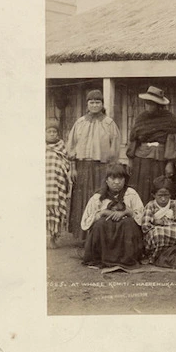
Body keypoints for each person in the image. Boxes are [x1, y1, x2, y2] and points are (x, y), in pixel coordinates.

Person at [67, 89, 121, 243]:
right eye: (92, 102)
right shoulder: (80, 122)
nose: (95, 105)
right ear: (87, 104)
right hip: (82, 167)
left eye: (98, 102)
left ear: (102, 104)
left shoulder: (109, 123)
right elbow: (71, 146)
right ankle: (82, 236)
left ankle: (97, 235)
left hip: (102, 168)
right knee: (82, 199)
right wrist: (73, 168)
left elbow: (115, 147)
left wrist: (110, 169)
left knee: (99, 198)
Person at [80, 164, 144, 270]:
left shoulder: (131, 194)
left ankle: (126, 259)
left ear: (125, 180)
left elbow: (142, 217)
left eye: (120, 178)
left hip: (125, 233)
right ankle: (100, 259)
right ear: (106, 180)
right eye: (113, 178)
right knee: (100, 224)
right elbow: (85, 222)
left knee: (128, 223)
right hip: (106, 233)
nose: (117, 182)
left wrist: (127, 212)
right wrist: (103, 212)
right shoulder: (98, 197)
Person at [126, 86, 176, 204]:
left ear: (159, 105)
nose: (149, 106)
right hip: (141, 160)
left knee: (159, 185)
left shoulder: (169, 119)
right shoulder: (141, 118)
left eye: (152, 104)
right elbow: (134, 139)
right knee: (140, 188)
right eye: (147, 103)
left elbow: (171, 142)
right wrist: (130, 160)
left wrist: (170, 163)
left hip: (159, 160)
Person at [142, 175, 176, 263]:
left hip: (172, 234)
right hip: (154, 236)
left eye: (166, 195)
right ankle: (153, 257)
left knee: (175, 233)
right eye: (160, 195)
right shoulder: (151, 205)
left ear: (170, 194)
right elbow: (145, 225)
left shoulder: (174, 204)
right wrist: (155, 223)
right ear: (154, 195)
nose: (163, 199)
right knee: (157, 234)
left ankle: (170, 257)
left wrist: (161, 222)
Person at [46, 119, 70, 248]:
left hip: (58, 182)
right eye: (49, 131)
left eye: (54, 132)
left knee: (57, 209)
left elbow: (66, 163)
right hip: (46, 184)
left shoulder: (61, 146)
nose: (52, 134)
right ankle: (47, 236)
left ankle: (53, 237)